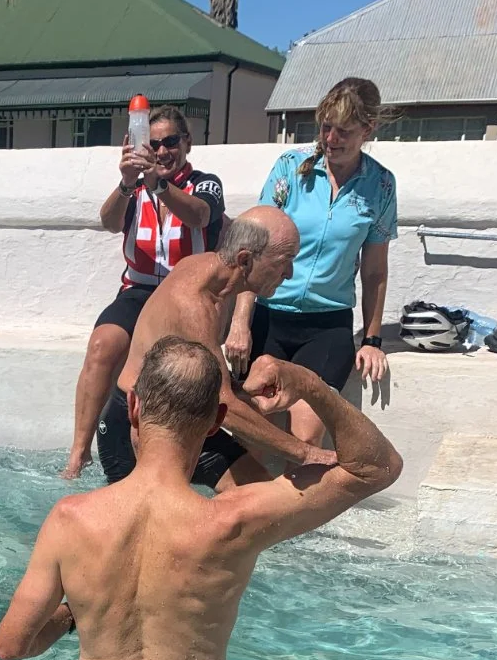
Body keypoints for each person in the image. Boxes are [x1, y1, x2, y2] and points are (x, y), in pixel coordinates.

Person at [0, 337, 401, 660]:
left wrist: (73, 616)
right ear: (215, 422)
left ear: (133, 406)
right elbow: (376, 466)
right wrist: (309, 383)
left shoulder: (70, 517)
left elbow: (13, 645)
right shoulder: (233, 520)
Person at [96, 207, 336, 490]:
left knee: (261, 506)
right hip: (137, 426)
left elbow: (216, 389)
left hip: (185, 416)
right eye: (285, 261)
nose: (290, 273)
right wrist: (305, 452)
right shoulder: (195, 305)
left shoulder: (212, 275)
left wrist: (243, 391)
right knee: (156, 531)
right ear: (245, 260)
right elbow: (225, 407)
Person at [225, 77, 397, 450]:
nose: (331, 138)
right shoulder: (291, 168)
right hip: (271, 316)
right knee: (249, 422)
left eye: (344, 131)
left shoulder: (381, 185)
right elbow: (253, 247)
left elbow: (374, 271)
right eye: (325, 127)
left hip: (328, 325)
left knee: (306, 433)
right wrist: (240, 322)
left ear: (368, 129)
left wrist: (372, 339)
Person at [63, 107, 225, 479]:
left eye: (171, 141)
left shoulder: (204, 183)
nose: (163, 150)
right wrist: (126, 182)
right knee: (103, 344)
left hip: (188, 295)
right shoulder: (134, 188)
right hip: (139, 291)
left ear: (187, 143)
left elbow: (201, 215)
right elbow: (108, 222)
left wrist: (160, 186)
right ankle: (78, 453)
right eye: (154, 144)